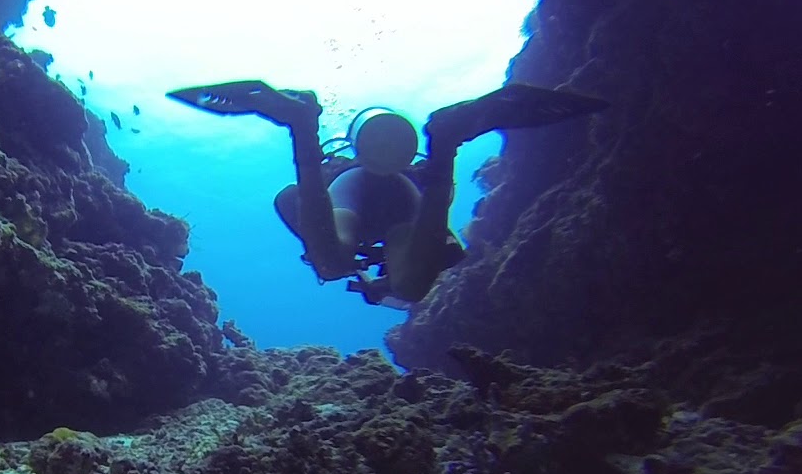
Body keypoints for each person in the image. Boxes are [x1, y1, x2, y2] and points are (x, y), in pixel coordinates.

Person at [167, 80, 609, 308]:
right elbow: (442, 253)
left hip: (355, 189)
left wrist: (374, 284)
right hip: (401, 192)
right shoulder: (396, 224)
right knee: (410, 282)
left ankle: (303, 125)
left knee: (333, 261)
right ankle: (446, 137)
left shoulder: (353, 182)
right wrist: (380, 285)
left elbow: (341, 254)